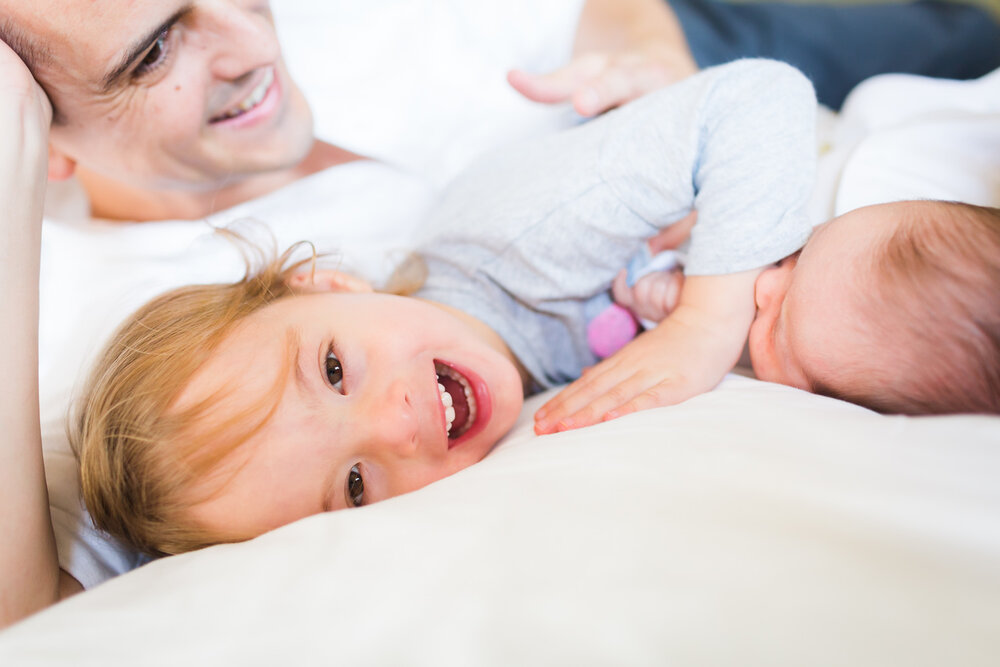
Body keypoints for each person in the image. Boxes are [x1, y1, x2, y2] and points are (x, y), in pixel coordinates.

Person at [2, 0, 999, 628]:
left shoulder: (507, 246)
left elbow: (755, 100)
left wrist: (709, 317)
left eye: (338, 371)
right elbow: (33, 618)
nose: (392, 421)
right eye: (352, 484)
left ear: (330, 284)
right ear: (47, 139)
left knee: (868, 297)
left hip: (687, 45)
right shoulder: (105, 323)